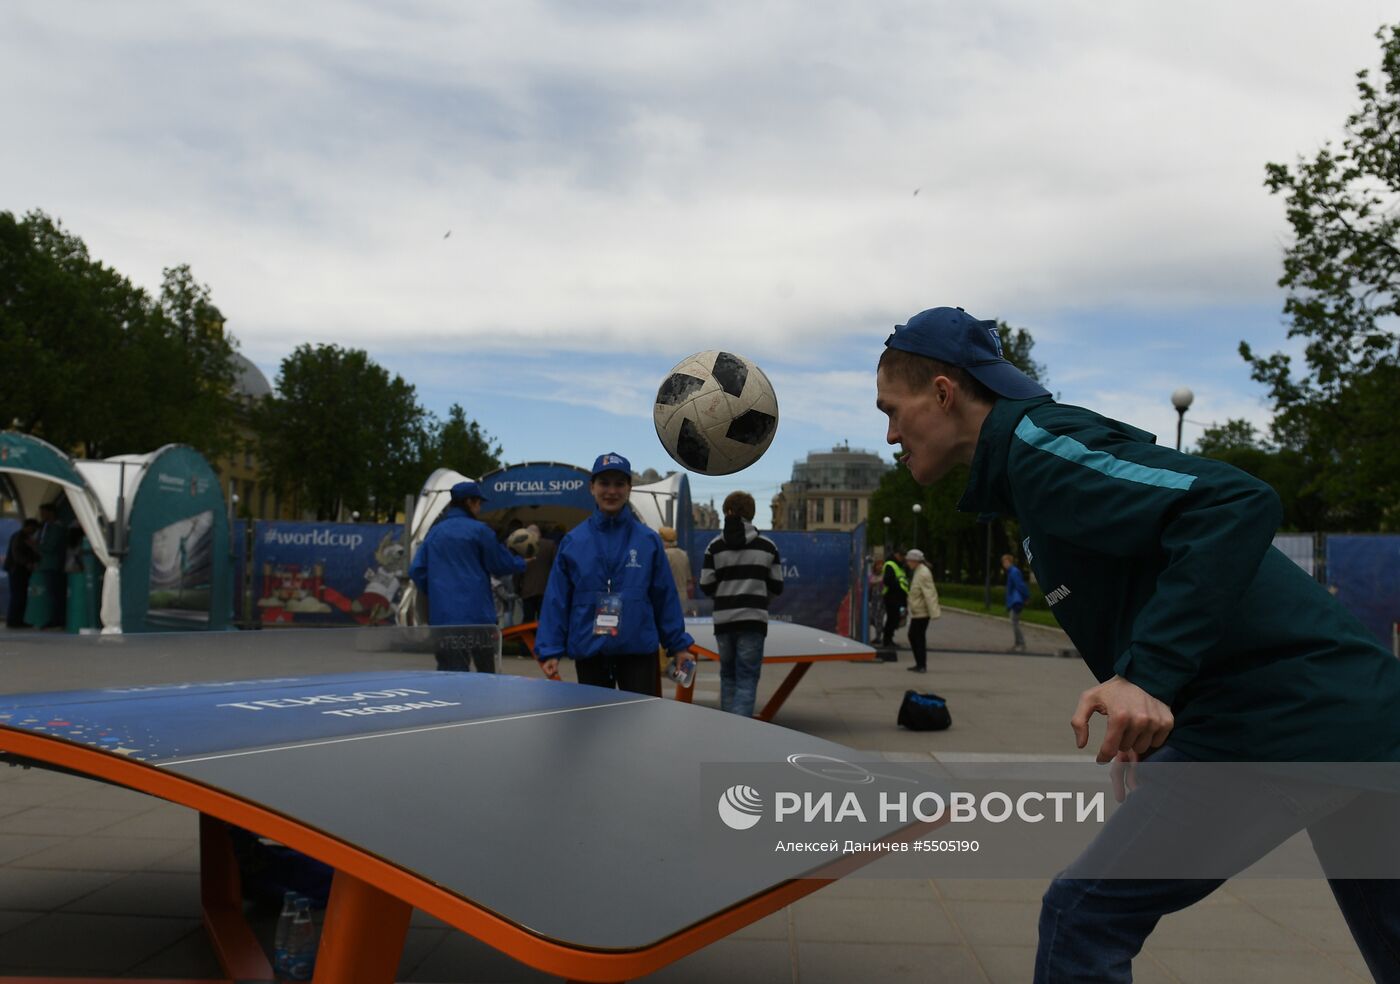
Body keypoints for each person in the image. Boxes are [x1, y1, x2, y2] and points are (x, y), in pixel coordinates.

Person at [876, 305, 1400, 981]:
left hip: (1279, 719)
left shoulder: (1037, 446)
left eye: (892, 409)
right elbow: (1169, 577)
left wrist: (1147, 674)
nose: (889, 433)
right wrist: (1153, 703)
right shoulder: (1029, 474)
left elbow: (1232, 503)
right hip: (1358, 718)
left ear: (943, 393)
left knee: (1082, 918)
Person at [535, 453, 695, 696]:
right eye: (604, 483)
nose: (611, 491)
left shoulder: (648, 540)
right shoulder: (573, 541)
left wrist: (678, 644)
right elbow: (557, 598)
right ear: (592, 488)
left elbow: (664, 596)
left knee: (640, 723)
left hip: (638, 648)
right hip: (590, 649)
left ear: (629, 488)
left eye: (619, 484)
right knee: (594, 722)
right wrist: (550, 649)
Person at [408, 481, 525, 672]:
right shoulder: (480, 531)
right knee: (485, 674)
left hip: (444, 620)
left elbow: (416, 570)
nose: (480, 508)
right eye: (479, 503)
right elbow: (500, 564)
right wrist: (522, 563)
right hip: (478, 618)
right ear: (470, 502)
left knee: (450, 674)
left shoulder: (435, 532)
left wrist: (437, 592)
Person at [698, 491, 784, 717]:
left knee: (728, 676)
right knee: (747, 678)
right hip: (753, 621)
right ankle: (740, 734)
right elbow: (776, 586)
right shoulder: (768, 546)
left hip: (724, 622)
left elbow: (706, 585)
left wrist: (725, 596)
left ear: (727, 511)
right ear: (752, 513)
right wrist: (758, 600)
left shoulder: (714, 546)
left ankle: (728, 730)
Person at [902, 548, 939, 673]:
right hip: (918, 611)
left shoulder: (923, 573)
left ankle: (921, 665)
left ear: (915, 561)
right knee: (916, 636)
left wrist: (934, 612)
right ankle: (919, 664)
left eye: (909, 561)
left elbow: (930, 593)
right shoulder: (919, 571)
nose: (907, 563)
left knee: (916, 636)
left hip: (922, 612)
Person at [4, 519, 40, 629]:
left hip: (18, 569)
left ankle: (16, 619)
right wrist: (27, 563)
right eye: (33, 529)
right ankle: (14, 620)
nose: (34, 532)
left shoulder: (22, 536)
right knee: (18, 595)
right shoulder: (20, 537)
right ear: (28, 527)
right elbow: (17, 554)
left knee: (20, 595)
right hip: (17, 570)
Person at [517, 524, 556, 623]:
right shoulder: (550, 545)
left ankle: (529, 638)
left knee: (528, 620)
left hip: (527, 590)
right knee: (544, 620)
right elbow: (556, 568)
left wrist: (517, 588)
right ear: (540, 533)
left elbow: (518, 569)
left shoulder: (522, 546)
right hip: (545, 589)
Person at [879, 547, 908, 656]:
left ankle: (889, 639)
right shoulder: (890, 564)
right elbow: (888, 580)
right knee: (892, 618)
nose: (903, 557)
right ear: (896, 554)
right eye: (901, 555)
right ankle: (887, 641)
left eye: (904, 556)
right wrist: (898, 588)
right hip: (892, 596)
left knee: (895, 618)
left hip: (898, 596)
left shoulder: (899, 565)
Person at [1001, 553, 1029, 653]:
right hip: (1014, 601)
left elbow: (1020, 585)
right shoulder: (1012, 572)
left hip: (1016, 601)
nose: (1003, 564)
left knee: (1015, 623)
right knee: (1014, 623)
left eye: (1004, 562)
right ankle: (1018, 644)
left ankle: (1021, 644)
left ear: (1009, 561)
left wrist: (1026, 597)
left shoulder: (1014, 572)